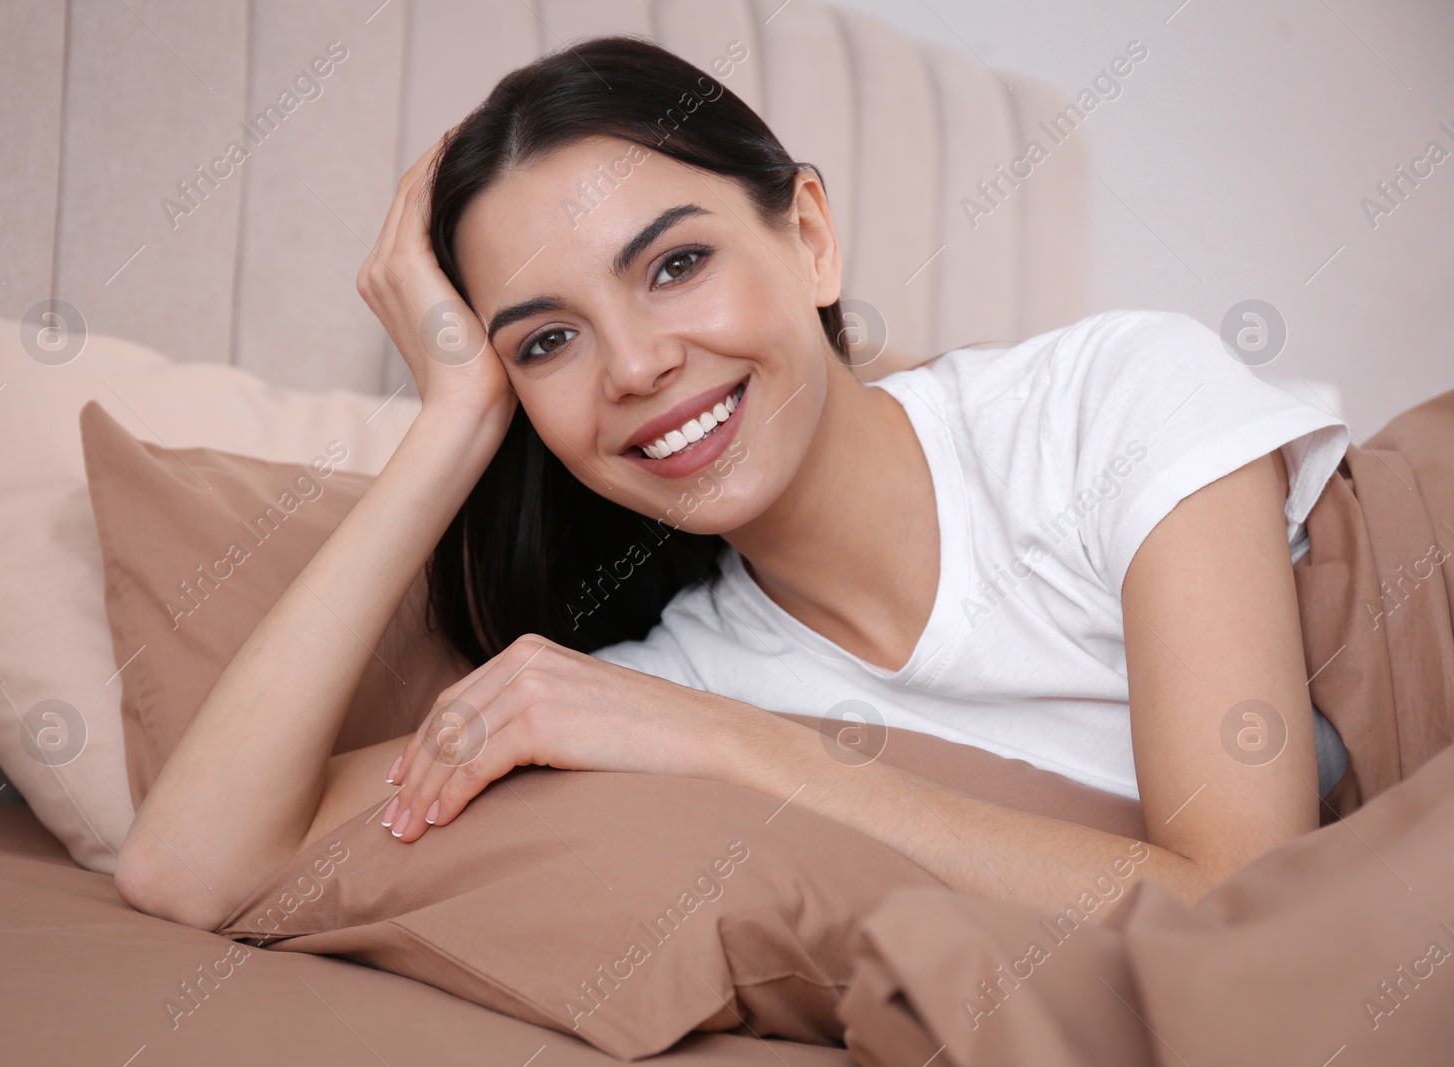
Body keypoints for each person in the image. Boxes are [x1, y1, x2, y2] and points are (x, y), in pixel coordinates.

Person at [114, 36, 1350, 933]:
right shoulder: (662, 679)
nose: (639, 365)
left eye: (676, 263)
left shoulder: (1107, 403)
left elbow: (1250, 918)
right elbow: (192, 866)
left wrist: (741, 750)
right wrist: (451, 422)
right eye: (546, 341)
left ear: (809, 234)